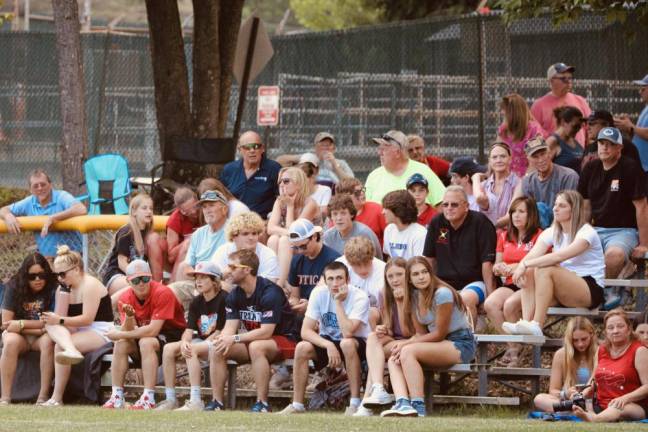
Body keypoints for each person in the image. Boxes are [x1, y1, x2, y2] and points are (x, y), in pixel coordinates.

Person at [382, 257, 475, 417]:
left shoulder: (442, 294)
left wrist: (407, 344)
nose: (421, 277)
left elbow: (439, 334)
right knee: (394, 357)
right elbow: (421, 334)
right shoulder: (413, 297)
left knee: (407, 351)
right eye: (416, 274)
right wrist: (407, 342)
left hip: (459, 343)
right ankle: (403, 402)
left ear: (431, 274)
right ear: (409, 280)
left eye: (424, 272)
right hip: (438, 344)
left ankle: (418, 406)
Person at [209, 249, 298, 413]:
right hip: (255, 340)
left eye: (232, 267)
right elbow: (229, 328)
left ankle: (262, 403)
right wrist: (223, 338)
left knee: (256, 347)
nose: (227, 271)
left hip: (285, 339)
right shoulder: (235, 295)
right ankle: (217, 403)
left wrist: (234, 338)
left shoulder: (270, 292)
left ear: (247, 269)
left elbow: (266, 332)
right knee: (218, 347)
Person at [505, 191, 605, 337]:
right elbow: (532, 255)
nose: (555, 209)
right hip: (563, 287)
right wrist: (523, 266)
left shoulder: (587, 232)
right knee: (531, 269)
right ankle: (526, 322)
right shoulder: (551, 232)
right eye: (555, 204)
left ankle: (537, 325)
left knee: (545, 268)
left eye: (562, 205)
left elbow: (559, 256)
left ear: (574, 209)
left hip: (589, 288)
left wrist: (525, 264)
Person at [279, 261, 370, 416]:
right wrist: (328, 345)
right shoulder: (318, 293)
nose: (335, 283)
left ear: (348, 280)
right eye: (331, 279)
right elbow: (305, 331)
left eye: (339, 278)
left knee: (346, 343)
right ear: (325, 280)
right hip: (330, 341)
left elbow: (348, 332)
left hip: (357, 343)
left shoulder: (360, 297)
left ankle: (354, 403)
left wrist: (338, 302)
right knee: (302, 347)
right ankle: (297, 405)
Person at [578, 127, 648, 308]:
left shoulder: (630, 168)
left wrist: (644, 244)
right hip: (595, 229)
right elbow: (585, 206)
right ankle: (587, 294)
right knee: (573, 253)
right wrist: (582, 232)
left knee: (614, 256)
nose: (605, 148)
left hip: (623, 230)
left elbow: (642, 207)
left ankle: (602, 292)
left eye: (611, 144)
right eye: (601, 143)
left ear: (620, 148)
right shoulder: (590, 168)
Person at [102, 260, 186, 410]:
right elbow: (129, 330)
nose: (141, 283)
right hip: (145, 338)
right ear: (128, 281)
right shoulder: (125, 298)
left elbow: (153, 330)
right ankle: (117, 396)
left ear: (151, 277)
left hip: (172, 335)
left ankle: (148, 397)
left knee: (145, 341)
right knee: (122, 343)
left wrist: (118, 333)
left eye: (145, 278)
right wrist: (128, 318)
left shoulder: (162, 292)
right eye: (136, 280)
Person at [39, 245, 115, 407]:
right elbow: (59, 319)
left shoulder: (90, 285)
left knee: (60, 347)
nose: (60, 278)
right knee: (50, 327)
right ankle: (70, 349)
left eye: (62, 274)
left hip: (100, 330)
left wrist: (58, 320)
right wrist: (62, 300)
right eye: (56, 275)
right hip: (77, 328)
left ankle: (56, 398)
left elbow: (87, 319)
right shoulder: (63, 288)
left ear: (76, 269)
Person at [156, 261, 227, 411]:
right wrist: (184, 342)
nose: (198, 281)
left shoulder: (224, 298)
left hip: (219, 342)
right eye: (196, 278)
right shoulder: (197, 301)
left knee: (192, 349)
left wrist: (195, 345)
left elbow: (221, 330)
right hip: (200, 341)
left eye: (203, 277)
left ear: (215, 281)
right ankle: (171, 399)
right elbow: (189, 330)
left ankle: (195, 400)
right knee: (169, 348)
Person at [423, 186, 497, 325]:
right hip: (444, 283)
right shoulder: (436, 222)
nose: (449, 208)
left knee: (465, 299)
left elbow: (487, 263)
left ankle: (469, 343)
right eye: (445, 204)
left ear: (466, 206)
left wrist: (490, 296)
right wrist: (428, 288)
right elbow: (430, 259)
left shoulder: (480, 223)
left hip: (475, 282)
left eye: (454, 204)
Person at [484, 196, 542, 367]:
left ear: (531, 214)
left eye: (521, 211)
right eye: (513, 212)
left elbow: (539, 261)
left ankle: (515, 353)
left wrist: (517, 266)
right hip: (510, 283)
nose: (516, 216)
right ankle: (515, 347)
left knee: (509, 305)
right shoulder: (504, 235)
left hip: (530, 284)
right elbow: (497, 264)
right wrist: (500, 268)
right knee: (490, 304)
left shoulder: (539, 235)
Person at [354, 258, 412, 417]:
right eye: (390, 276)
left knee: (375, 359)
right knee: (373, 337)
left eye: (399, 274)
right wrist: (382, 329)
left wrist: (400, 302)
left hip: (414, 341)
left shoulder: (415, 292)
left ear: (407, 275)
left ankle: (365, 404)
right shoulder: (383, 293)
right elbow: (391, 330)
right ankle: (379, 388)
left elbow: (407, 332)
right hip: (395, 341)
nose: (395, 280)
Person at [573, 309, 648, 422]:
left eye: (620, 326)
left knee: (617, 407)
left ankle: (595, 419)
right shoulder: (602, 350)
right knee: (542, 400)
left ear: (629, 329)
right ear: (606, 332)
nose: (615, 331)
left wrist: (625, 398)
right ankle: (592, 414)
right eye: (611, 328)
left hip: (631, 405)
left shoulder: (640, 350)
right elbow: (594, 381)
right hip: (601, 404)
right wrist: (583, 394)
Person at [1, 252, 56, 404]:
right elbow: (6, 323)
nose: (37, 279)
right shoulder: (13, 286)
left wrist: (21, 324)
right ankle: (5, 397)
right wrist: (37, 329)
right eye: (32, 276)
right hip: (21, 337)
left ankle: (43, 397)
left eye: (41, 275)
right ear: (25, 276)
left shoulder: (54, 286)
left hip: (39, 335)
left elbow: (51, 322)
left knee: (48, 341)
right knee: (10, 341)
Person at [0, 169, 87, 257]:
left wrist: (53, 218)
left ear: (50, 185)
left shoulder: (61, 196)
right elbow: (3, 210)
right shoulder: (29, 201)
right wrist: (8, 216)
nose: (40, 188)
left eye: (43, 184)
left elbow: (81, 209)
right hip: (47, 258)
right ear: (30, 190)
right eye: (35, 186)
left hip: (72, 256)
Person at [172, 190, 228, 310]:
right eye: (204, 206)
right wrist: (200, 278)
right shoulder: (198, 233)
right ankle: (185, 320)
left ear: (224, 209)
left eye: (212, 205)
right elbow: (187, 265)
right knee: (170, 291)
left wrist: (209, 279)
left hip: (221, 281)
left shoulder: (233, 231)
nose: (207, 210)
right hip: (198, 281)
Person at [102, 193, 163, 305]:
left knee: (146, 287)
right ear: (134, 211)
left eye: (151, 208)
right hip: (117, 275)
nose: (149, 211)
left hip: (136, 277)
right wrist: (137, 277)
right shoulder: (127, 232)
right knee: (137, 287)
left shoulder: (149, 235)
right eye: (144, 208)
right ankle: (106, 309)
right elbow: (121, 263)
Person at [267, 166, 321, 287]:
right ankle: (273, 280)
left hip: (309, 244)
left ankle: (279, 285)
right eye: (279, 181)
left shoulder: (310, 203)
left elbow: (296, 233)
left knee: (285, 240)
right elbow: (270, 228)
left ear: (299, 184)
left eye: (286, 181)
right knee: (273, 239)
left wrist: (290, 207)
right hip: (292, 245)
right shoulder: (279, 201)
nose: (281, 185)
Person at [512, 135, 579, 228]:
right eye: (535, 156)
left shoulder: (568, 176)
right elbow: (528, 214)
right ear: (528, 159)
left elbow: (571, 211)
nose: (541, 160)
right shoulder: (528, 181)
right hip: (537, 230)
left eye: (543, 154)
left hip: (565, 227)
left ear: (549, 153)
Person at [365, 130, 445, 207]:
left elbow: (442, 203)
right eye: (379, 149)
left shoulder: (423, 171)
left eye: (384, 149)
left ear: (397, 153)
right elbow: (365, 209)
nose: (379, 153)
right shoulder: (374, 176)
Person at [534, 317, 597, 412]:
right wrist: (566, 394)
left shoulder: (599, 352)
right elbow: (553, 390)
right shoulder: (561, 355)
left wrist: (587, 394)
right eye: (575, 340)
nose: (580, 344)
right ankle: (573, 409)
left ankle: (572, 410)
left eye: (584, 339)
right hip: (569, 400)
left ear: (591, 334)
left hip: (592, 400)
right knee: (539, 399)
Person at [211, 211, 279, 290]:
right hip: (229, 295)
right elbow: (213, 279)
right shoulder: (222, 251)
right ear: (234, 236)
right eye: (245, 234)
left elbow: (268, 286)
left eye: (254, 233)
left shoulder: (268, 254)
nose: (251, 238)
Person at [220, 131, 281, 219]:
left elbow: (282, 199)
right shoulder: (229, 169)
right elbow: (221, 198)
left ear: (262, 148)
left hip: (263, 223)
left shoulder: (274, 168)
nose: (252, 150)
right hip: (234, 223)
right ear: (239, 150)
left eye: (256, 146)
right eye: (247, 147)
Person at [286, 219, 340, 314]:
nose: (300, 251)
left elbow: (333, 297)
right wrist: (294, 304)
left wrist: (310, 305)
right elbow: (295, 296)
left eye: (303, 246)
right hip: (304, 308)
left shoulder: (333, 259)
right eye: (295, 247)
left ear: (314, 237)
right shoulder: (296, 260)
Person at [531, 62, 591, 146]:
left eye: (570, 78)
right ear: (551, 81)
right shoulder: (539, 105)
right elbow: (533, 133)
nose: (568, 81)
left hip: (579, 153)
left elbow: (589, 127)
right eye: (563, 79)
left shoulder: (580, 100)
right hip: (553, 154)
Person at [336, 236, 386, 327]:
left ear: (372, 258)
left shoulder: (384, 270)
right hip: (348, 315)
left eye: (366, 263)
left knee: (371, 313)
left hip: (376, 318)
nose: (363, 270)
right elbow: (323, 286)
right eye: (357, 265)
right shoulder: (340, 265)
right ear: (348, 262)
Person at [473, 142, 520, 226]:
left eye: (503, 156)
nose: (499, 160)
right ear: (490, 161)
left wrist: (488, 228)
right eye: (494, 157)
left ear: (510, 159)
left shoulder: (518, 183)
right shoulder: (483, 185)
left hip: (507, 234)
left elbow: (511, 215)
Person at [323, 193, 382, 260]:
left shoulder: (364, 233)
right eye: (335, 214)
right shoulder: (328, 236)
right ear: (331, 217)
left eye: (343, 213)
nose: (339, 218)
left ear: (351, 214)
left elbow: (376, 261)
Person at [497, 93, 544, 177]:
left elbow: (537, 160)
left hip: (527, 178)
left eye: (504, 110)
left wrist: (523, 181)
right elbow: (496, 152)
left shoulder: (534, 129)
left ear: (513, 112)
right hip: (506, 177)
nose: (501, 112)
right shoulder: (503, 129)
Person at [162, 187, 201, 281]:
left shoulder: (205, 211)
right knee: (187, 245)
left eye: (195, 206)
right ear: (180, 210)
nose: (194, 212)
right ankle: (173, 284)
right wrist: (189, 240)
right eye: (187, 211)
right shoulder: (175, 220)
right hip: (183, 259)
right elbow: (171, 257)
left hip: (203, 256)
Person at [336, 178, 386, 245]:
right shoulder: (337, 214)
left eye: (362, 190)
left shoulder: (377, 209)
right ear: (345, 196)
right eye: (357, 192)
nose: (362, 193)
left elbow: (388, 237)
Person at [614, 74, 648, 174]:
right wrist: (628, 128)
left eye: (643, 89)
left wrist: (631, 126)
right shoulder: (646, 108)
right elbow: (639, 134)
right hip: (640, 164)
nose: (640, 91)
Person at [382, 190, 427, 260]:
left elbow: (420, 265)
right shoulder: (389, 230)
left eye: (386, 208)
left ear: (398, 210)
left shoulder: (420, 234)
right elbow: (390, 258)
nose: (382, 212)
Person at [546, 106, 585, 173]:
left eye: (579, 127)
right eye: (575, 126)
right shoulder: (552, 142)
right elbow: (540, 169)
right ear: (563, 122)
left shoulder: (575, 142)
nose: (578, 130)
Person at [298, 153, 332, 218]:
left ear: (317, 170)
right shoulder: (296, 190)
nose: (311, 171)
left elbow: (323, 212)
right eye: (304, 168)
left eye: (311, 167)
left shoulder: (325, 190)